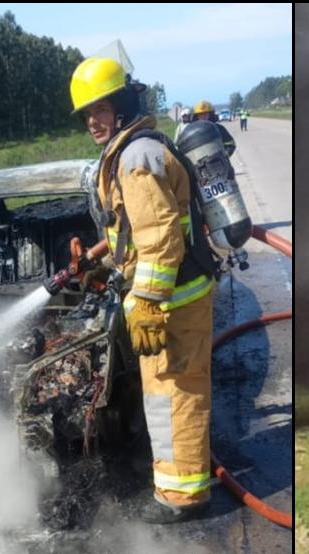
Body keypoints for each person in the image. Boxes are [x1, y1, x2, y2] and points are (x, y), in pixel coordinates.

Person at [69, 57, 217, 524]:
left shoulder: (135, 160)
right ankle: (177, 480)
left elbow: (160, 237)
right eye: (86, 114)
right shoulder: (134, 150)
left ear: (123, 105)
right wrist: (99, 264)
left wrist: (149, 303)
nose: (93, 121)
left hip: (174, 301)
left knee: (175, 395)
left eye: (101, 109)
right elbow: (132, 237)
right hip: (177, 295)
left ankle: (183, 497)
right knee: (167, 393)